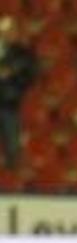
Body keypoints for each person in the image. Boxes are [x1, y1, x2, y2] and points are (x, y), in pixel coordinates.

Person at [0, 16, 36, 169]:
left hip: (8, 101)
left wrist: (12, 73)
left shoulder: (22, 53)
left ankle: (12, 168)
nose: (9, 34)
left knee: (12, 142)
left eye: (11, 30)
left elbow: (31, 73)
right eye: (5, 31)